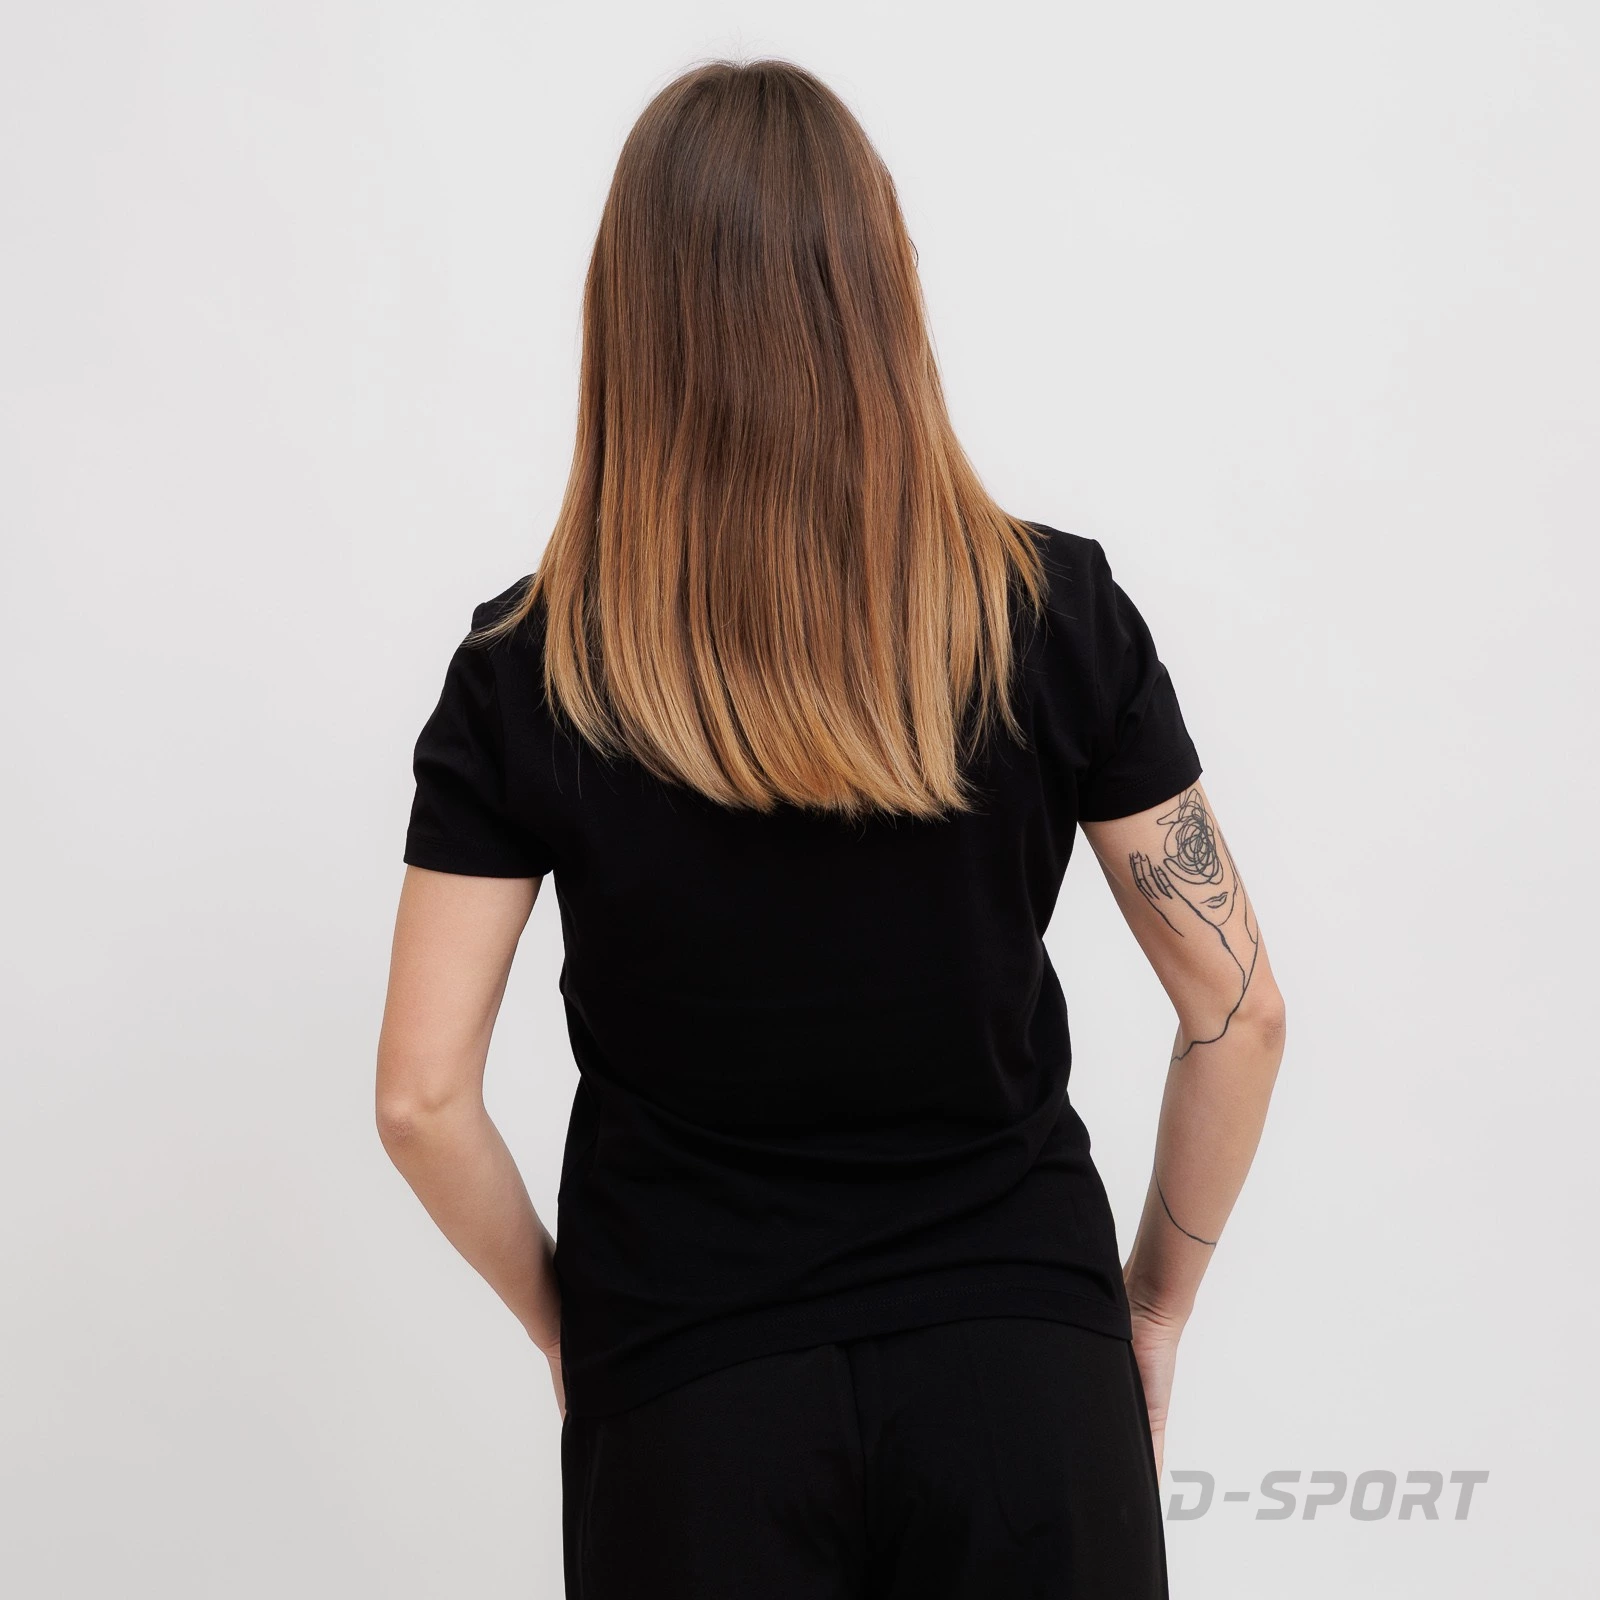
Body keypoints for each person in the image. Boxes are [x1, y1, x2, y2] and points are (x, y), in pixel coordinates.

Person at [375, 56, 1287, 1600]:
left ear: (629, 321)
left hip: (692, 1398)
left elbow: (419, 1099)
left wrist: (572, 1324)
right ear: (880, 292)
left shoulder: (530, 671)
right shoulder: (1054, 615)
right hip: (1025, 1370)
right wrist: (1153, 1304)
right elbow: (1240, 1011)